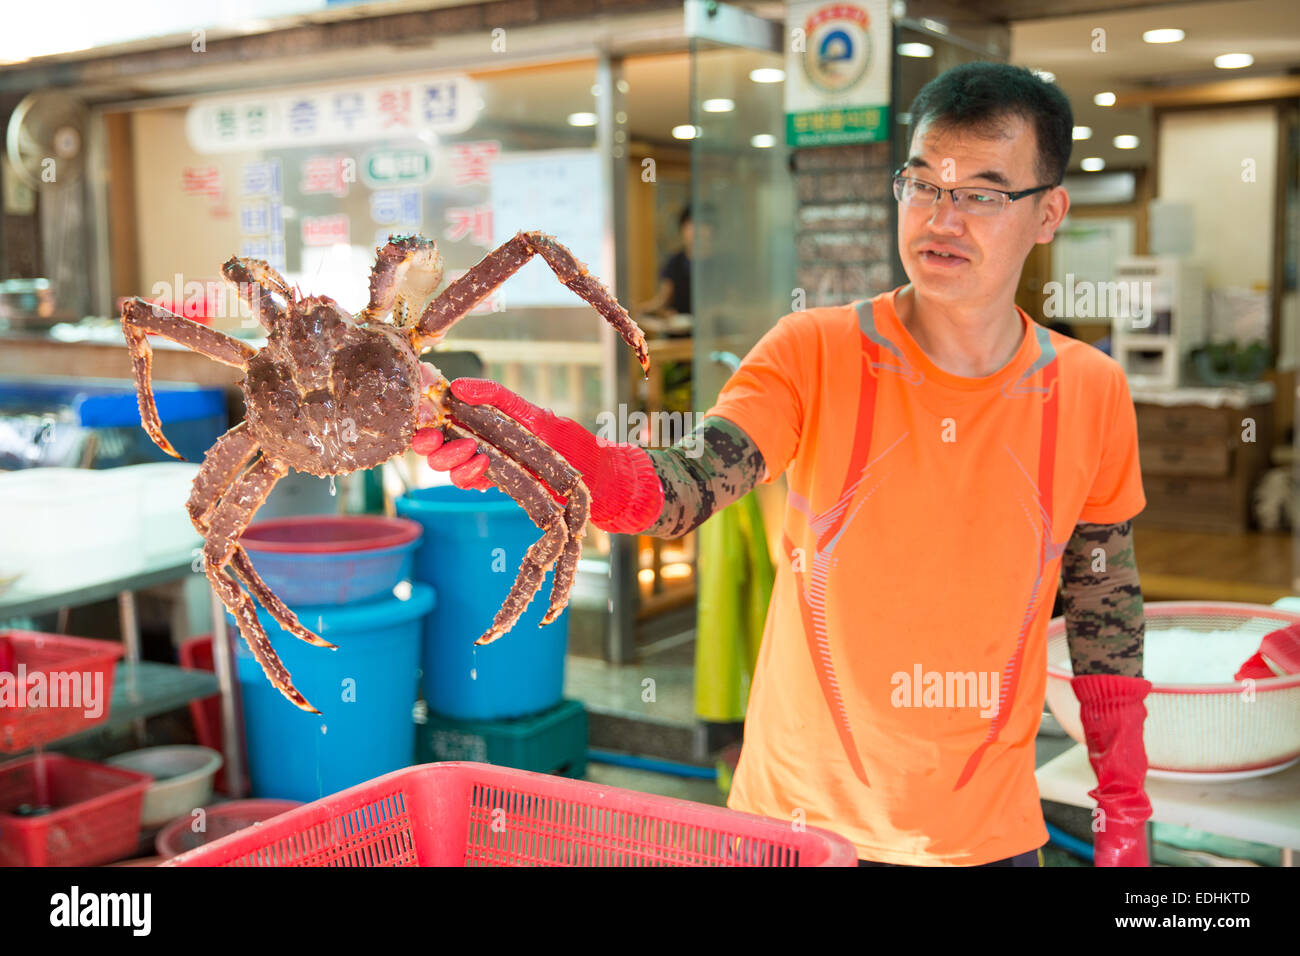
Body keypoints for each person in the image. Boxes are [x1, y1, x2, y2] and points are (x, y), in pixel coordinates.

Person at [414, 62, 1154, 867]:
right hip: (800, 827)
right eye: (922, 183)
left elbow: (1101, 599)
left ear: (1049, 213)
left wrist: (1123, 806)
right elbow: (679, 492)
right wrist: (550, 452)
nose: (943, 218)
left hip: (988, 837)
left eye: (982, 192)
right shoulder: (816, 351)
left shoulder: (1090, 391)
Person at [638, 205, 695, 325]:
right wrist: (641, 309)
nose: (697, 231)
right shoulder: (675, 262)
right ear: (682, 229)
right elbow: (662, 300)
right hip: (679, 337)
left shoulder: (718, 263)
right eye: (691, 225)